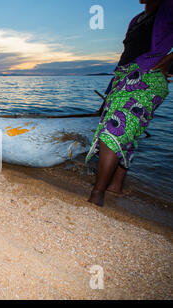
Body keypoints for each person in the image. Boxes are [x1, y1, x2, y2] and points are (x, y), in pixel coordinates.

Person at [86, 0, 172, 206]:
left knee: (114, 130)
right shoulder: (137, 18)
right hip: (123, 78)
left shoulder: (168, 7)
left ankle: (98, 193)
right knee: (129, 133)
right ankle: (116, 186)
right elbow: (129, 53)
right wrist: (112, 88)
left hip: (147, 79)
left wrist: (165, 63)